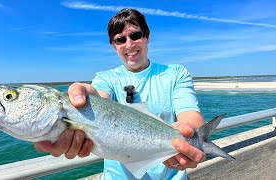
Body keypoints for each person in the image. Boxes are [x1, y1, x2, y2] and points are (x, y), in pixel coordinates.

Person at [34, 8, 205, 179]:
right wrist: (88, 98)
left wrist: (190, 132)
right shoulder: (106, 78)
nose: (129, 44)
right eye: (120, 39)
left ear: (147, 36)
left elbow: (190, 114)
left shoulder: (175, 73)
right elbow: (99, 99)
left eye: (135, 36)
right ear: (114, 46)